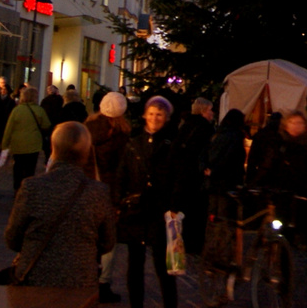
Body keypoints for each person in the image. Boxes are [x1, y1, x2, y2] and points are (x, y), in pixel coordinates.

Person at [4, 121, 117, 289]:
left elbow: (13, 238)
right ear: (85, 153)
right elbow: (107, 242)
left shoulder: (32, 187)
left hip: (34, 278)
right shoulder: (98, 192)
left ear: (54, 150)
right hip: (80, 280)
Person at [247, 109, 307, 299]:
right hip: (285, 201)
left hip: (306, 203)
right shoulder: (280, 146)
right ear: (286, 125)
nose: (296, 127)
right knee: (283, 239)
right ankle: (284, 283)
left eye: (300, 123)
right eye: (293, 123)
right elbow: (267, 167)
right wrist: (253, 184)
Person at [117, 95, 180, 308]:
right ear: (145, 115)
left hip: (161, 210)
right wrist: (120, 201)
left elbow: (178, 177)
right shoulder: (134, 142)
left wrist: (174, 207)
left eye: (159, 114)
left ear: (166, 117)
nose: (154, 118)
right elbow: (122, 173)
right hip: (136, 209)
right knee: (135, 263)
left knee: (165, 266)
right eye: (151, 113)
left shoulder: (172, 143)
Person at [88, 91, 133, 303]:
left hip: (87, 189)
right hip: (108, 192)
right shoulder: (121, 135)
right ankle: (103, 283)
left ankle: (87, 277)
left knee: (88, 235)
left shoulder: (87, 128)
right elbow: (123, 170)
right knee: (108, 239)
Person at [178, 97, 215, 253]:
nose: (212, 113)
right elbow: (205, 151)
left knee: (187, 209)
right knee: (198, 211)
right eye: (210, 110)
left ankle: (186, 240)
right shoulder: (204, 127)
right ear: (203, 111)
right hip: (196, 175)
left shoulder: (185, 125)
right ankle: (194, 245)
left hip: (184, 173)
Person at [2, 85, 52, 193]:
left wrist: (4, 144)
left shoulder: (17, 110)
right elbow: (46, 125)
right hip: (33, 144)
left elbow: (9, 128)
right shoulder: (39, 110)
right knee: (30, 168)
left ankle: (17, 188)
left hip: (18, 143)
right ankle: (27, 188)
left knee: (18, 167)